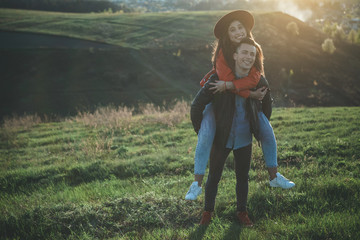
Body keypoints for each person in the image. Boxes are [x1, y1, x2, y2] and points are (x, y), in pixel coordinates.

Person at [185, 10, 294, 201]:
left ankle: (274, 176)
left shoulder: (251, 51)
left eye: (240, 28)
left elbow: (255, 77)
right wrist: (249, 92)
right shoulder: (221, 55)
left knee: (268, 133)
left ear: (246, 30)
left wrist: (257, 119)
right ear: (227, 35)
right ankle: (196, 183)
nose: (237, 32)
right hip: (217, 106)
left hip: (245, 113)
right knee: (206, 134)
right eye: (232, 29)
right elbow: (225, 80)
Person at [193, 37, 265, 226]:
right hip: (221, 138)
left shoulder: (257, 79)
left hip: (244, 138)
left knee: (243, 178)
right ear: (234, 55)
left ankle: (242, 212)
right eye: (244, 53)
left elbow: (267, 104)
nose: (248, 57)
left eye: (252, 54)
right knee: (214, 177)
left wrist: (259, 126)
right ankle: (207, 212)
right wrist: (202, 133)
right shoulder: (217, 79)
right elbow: (196, 105)